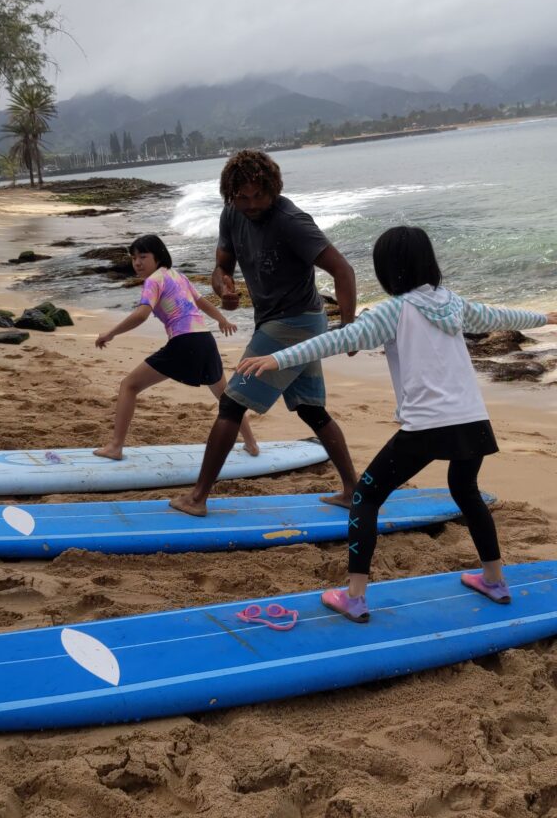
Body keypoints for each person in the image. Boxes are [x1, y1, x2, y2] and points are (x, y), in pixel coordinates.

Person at [238, 225, 557, 622]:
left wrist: (278, 358)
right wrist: (543, 316)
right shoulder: (453, 303)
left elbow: (338, 339)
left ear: (388, 269)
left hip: (426, 426)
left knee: (366, 497)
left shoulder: (394, 310)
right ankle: (494, 579)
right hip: (472, 419)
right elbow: (498, 315)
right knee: (466, 490)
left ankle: (354, 596)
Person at [168, 149, 358, 516]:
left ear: (273, 189)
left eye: (259, 196)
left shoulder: (292, 221)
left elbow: (344, 271)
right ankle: (352, 490)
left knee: (232, 402)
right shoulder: (231, 214)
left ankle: (198, 497)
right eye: (242, 197)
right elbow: (221, 266)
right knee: (311, 410)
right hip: (283, 321)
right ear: (230, 195)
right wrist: (224, 287)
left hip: (295, 322)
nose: (251, 204)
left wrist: (348, 328)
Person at [93, 233, 258, 460]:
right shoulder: (178, 276)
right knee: (226, 397)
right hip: (205, 341)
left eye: (143, 256)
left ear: (158, 256)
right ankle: (251, 443)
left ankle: (115, 447)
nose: (137, 263)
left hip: (184, 342)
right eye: (133, 258)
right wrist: (221, 319)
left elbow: (142, 315)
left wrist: (110, 333)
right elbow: (202, 303)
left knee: (129, 386)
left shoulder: (153, 281)